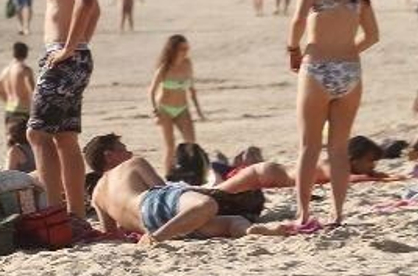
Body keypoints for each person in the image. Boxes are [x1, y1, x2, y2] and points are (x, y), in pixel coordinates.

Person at [286, 0, 378, 229]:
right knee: (338, 149)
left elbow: (298, 21)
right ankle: (338, 214)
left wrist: (293, 49)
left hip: (318, 68)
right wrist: (349, 49)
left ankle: (303, 214)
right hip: (350, 70)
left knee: (308, 147)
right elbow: (373, 35)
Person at [30, 0, 100, 219]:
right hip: (75, 55)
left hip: (65, 55)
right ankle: (75, 215)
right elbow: (94, 9)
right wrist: (81, 44)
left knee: (38, 134)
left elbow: (86, 2)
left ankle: (54, 212)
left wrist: (69, 48)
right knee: (65, 136)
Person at [83, 136, 256, 247]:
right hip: (154, 213)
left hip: (157, 225)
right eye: (123, 148)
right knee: (206, 205)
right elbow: (164, 190)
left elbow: (111, 234)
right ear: (109, 155)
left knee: (234, 221)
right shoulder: (133, 164)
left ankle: (253, 232)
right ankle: (156, 239)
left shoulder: (97, 196)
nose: (129, 153)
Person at [215, 135, 387, 192]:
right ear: (354, 158)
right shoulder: (332, 164)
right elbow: (343, 179)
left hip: (269, 175)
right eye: (370, 161)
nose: (373, 166)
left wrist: (371, 175)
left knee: (222, 190)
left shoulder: (338, 165)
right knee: (217, 192)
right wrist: (374, 178)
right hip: (266, 173)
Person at [148, 34, 204, 174]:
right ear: (173, 49)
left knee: (191, 143)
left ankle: (192, 173)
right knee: (170, 146)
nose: (186, 51)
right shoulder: (164, 68)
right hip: (165, 109)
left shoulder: (187, 64)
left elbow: (192, 89)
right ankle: (167, 175)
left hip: (182, 109)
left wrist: (199, 111)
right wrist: (156, 112)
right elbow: (151, 92)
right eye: (182, 49)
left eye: (187, 48)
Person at [0, 42, 36, 172]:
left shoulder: (6, 70)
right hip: (23, 109)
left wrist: (8, 101)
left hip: (10, 109)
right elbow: (33, 90)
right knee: (26, 143)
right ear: (26, 53)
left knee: (11, 142)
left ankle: (11, 168)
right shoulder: (24, 70)